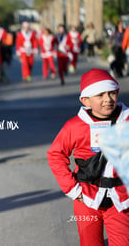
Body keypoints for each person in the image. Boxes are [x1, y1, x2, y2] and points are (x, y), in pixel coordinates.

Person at [47, 68, 129, 246]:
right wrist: (73, 190)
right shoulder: (75, 126)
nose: (108, 99)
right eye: (100, 95)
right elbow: (55, 155)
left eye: (112, 93)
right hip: (87, 199)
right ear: (86, 100)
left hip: (122, 200)